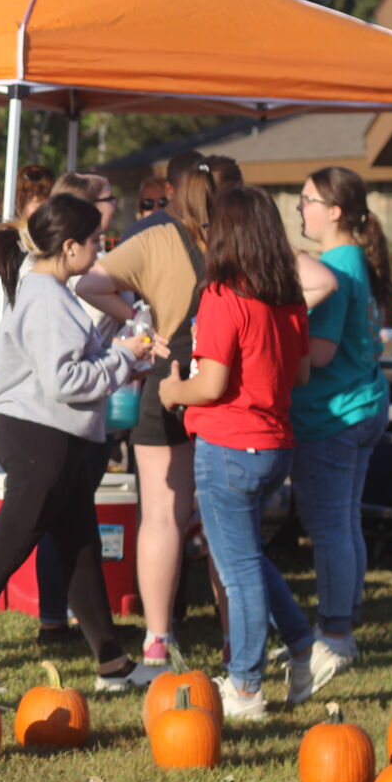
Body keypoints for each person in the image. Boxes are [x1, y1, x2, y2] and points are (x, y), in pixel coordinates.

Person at [0, 195, 154, 698]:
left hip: (56, 440)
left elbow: (75, 366)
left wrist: (127, 358)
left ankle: (112, 664)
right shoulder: (48, 299)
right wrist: (121, 359)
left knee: (79, 548)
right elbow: (66, 381)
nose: (101, 248)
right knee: (7, 547)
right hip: (39, 440)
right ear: (70, 247)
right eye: (95, 241)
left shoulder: (55, 293)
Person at [158, 185, 314, 718]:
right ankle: (302, 645)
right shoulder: (286, 295)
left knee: (239, 569)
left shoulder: (224, 295)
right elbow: (303, 371)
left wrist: (171, 390)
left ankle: (245, 686)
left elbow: (211, 384)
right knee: (247, 557)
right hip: (274, 446)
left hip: (227, 445)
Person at [75, 155, 232, 667]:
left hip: (170, 380)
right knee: (224, 520)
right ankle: (237, 637)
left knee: (162, 515)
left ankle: (158, 638)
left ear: (174, 190)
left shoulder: (154, 236)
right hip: (229, 385)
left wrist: (144, 330)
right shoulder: (245, 232)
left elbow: (89, 283)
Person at [288, 166, 392, 690]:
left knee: (331, 526)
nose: (299, 210)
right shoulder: (355, 259)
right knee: (345, 521)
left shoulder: (335, 265)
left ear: (334, 210)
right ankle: (343, 620)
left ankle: (335, 635)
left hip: (335, 413)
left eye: (306, 200)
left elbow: (322, 354)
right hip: (363, 403)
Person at [32, 172, 125, 646]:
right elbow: (68, 371)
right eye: (110, 200)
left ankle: (101, 647)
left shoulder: (59, 279)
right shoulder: (62, 287)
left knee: (73, 531)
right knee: (31, 536)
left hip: (74, 416)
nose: (117, 207)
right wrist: (126, 355)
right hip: (62, 422)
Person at [0, 163, 54, 370]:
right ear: (19, 205)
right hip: (4, 365)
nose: (46, 212)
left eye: (50, 204)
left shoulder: (55, 249)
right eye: (38, 204)